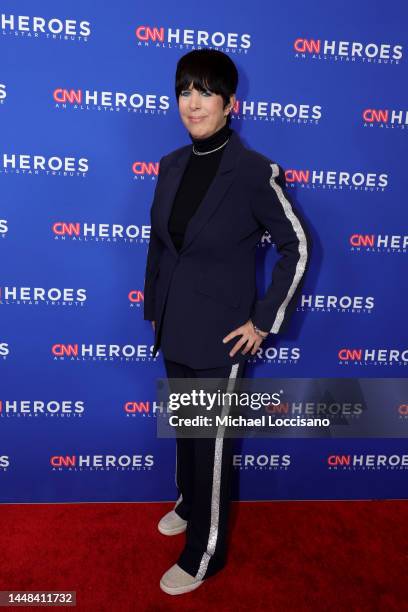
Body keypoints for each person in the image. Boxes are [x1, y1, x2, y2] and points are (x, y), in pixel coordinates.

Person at [143, 49, 312, 595]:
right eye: (184, 91)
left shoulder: (254, 172)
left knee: (211, 444)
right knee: (185, 433)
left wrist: (264, 320)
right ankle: (190, 504)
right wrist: (156, 309)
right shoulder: (170, 164)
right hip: (175, 326)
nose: (192, 103)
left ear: (229, 103)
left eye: (205, 92)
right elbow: (161, 245)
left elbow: (298, 247)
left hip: (222, 338)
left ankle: (205, 554)